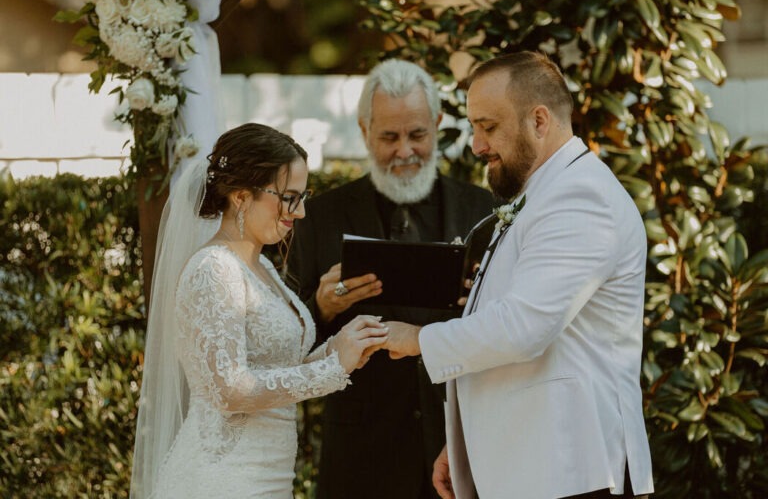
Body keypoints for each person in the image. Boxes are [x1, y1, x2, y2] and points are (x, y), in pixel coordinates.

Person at [382, 51, 654, 499]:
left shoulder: (580, 197)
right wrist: (466, 441)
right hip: (538, 467)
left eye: (488, 127)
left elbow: (523, 327)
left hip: (575, 472)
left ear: (539, 121)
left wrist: (416, 339)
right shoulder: (546, 192)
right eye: (474, 127)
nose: (476, 145)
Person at [129, 123, 389, 499]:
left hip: (269, 478)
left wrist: (341, 347)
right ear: (240, 196)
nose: (299, 212)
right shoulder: (214, 271)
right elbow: (231, 391)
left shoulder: (263, 268)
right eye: (288, 197)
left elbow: (277, 370)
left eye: (302, 197)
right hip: (222, 481)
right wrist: (333, 369)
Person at [287, 59, 496, 499]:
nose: (405, 151)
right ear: (364, 131)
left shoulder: (484, 210)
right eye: (389, 137)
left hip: (462, 450)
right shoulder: (319, 217)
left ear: (437, 124)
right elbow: (287, 345)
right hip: (362, 456)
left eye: (417, 134)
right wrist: (322, 307)